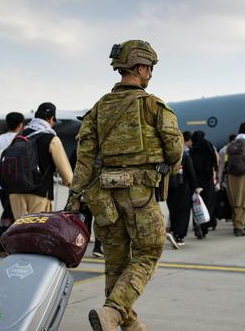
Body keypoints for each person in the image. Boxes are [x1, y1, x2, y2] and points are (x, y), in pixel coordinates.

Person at [68, 40, 183, 331]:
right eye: (150, 69)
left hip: (104, 199)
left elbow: (84, 159)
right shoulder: (153, 106)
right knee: (148, 253)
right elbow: (174, 149)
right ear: (140, 67)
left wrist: (74, 198)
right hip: (140, 196)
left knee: (116, 266)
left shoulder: (96, 110)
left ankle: (125, 323)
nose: (151, 75)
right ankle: (114, 310)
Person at [7, 102, 74, 219]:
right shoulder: (51, 138)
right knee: (38, 232)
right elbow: (66, 173)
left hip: (15, 192)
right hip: (39, 193)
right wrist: (74, 187)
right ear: (51, 119)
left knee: (21, 231)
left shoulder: (20, 135)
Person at [0, 112, 24, 257]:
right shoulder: (21, 139)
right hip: (15, 185)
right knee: (11, 216)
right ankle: (2, 244)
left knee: (8, 213)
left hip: (0, 184)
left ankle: (6, 244)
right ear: (20, 125)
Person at [166, 131, 201, 248]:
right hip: (183, 189)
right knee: (183, 213)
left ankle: (172, 231)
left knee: (173, 211)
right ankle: (179, 236)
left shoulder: (167, 155)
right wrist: (196, 187)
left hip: (170, 189)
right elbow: (191, 174)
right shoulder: (185, 156)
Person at [189, 130, 218, 238]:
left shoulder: (192, 150)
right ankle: (204, 227)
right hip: (207, 179)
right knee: (207, 203)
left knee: (196, 203)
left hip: (195, 180)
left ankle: (197, 225)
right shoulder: (208, 146)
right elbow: (215, 160)